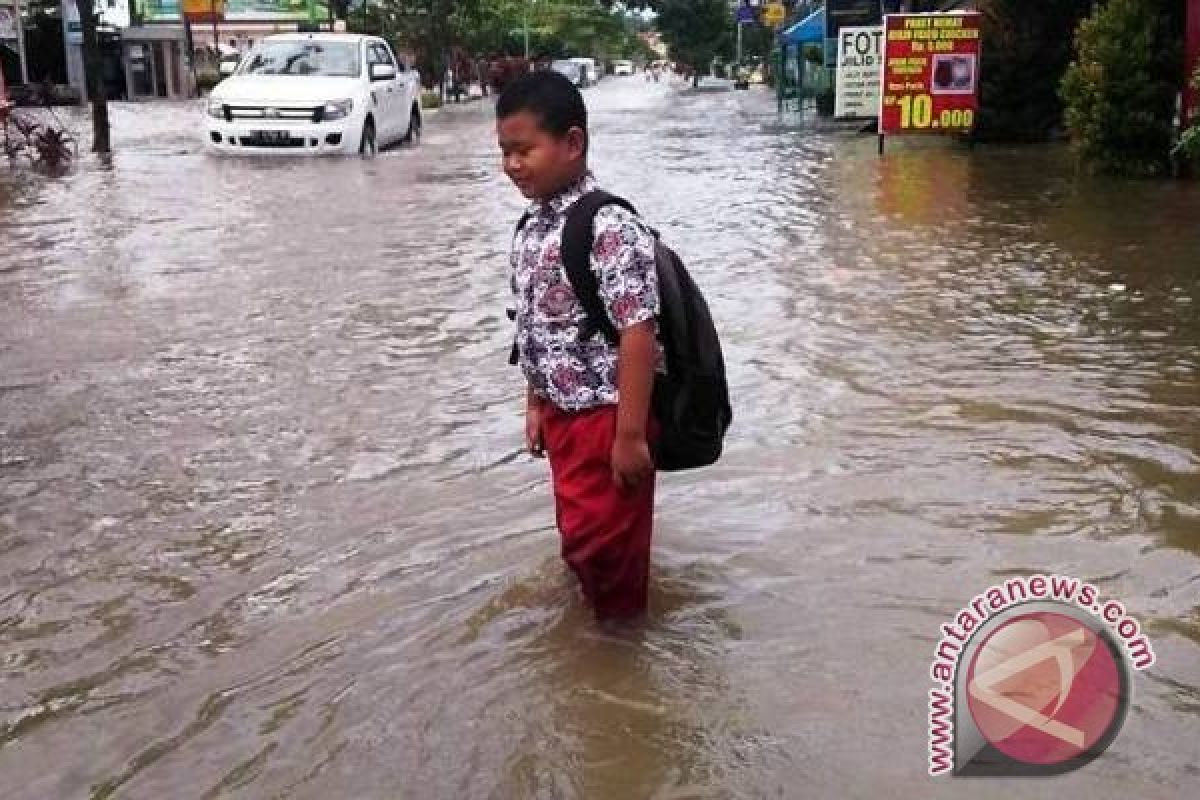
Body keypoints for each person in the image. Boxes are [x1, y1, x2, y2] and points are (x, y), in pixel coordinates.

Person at [496, 71, 662, 620]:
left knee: (608, 552)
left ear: (572, 143)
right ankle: (596, 630)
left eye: (525, 150)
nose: (513, 164)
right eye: (505, 151)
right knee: (580, 538)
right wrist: (534, 407)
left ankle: (618, 658)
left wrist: (631, 436)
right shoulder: (531, 227)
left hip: (607, 418)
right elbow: (532, 326)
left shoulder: (608, 225)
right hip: (563, 419)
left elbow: (638, 330)